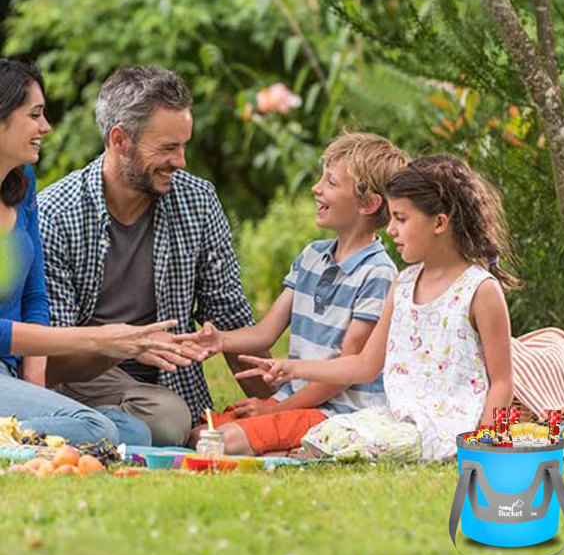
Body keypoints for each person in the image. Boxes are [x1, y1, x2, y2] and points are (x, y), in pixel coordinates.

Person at [38, 66, 267, 446]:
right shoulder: (56, 214)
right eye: (167, 148)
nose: (181, 161)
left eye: (184, 146)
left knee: (168, 416)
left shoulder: (198, 200)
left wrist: (278, 408)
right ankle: (87, 426)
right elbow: (51, 357)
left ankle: (101, 431)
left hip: (165, 387)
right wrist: (121, 345)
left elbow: (229, 315)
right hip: (82, 377)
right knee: (168, 420)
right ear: (120, 140)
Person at [238, 154, 516, 461]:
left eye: (401, 219)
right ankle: (297, 454)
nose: (391, 230)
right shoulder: (404, 284)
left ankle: (300, 455)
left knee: (345, 442)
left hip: (448, 428)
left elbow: (502, 381)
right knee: (325, 433)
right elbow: (365, 364)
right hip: (395, 419)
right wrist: (293, 369)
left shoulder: (480, 289)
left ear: (439, 223)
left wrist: (486, 448)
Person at [0, 58, 197, 446]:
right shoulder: (64, 205)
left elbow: (35, 299)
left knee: (133, 431)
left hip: (7, 375)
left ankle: (13, 436)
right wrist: (99, 340)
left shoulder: (23, 186)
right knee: (95, 429)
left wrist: (37, 390)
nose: (46, 127)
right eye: (34, 115)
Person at [186, 132, 409, 455]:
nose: (316, 187)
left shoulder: (378, 273)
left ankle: (296, 448)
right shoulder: (312, 257)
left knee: (219, 442)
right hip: (293, 402)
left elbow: (345, 372)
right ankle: (284, 447)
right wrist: (220, 340)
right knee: (199, 431)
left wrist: (279, 410)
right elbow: (265, 334)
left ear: (368, 203)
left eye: (330, 183)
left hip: (336, 413)